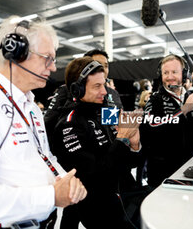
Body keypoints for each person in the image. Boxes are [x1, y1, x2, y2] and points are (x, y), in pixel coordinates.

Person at [0, 16, 87, 229]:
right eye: (47, 58)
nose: (54, 67)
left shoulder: (30, 106)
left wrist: (66, 181)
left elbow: (42, 156)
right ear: (16, 54)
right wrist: (49, 197)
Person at [52, 56, 144, 229]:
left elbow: (128, 164)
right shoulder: (69, 125)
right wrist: (121, 138)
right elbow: (93, 174)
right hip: (100, 210)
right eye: (97, 86)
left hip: (128, 199)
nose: (104, 91)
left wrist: (134, 144)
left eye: (104, 84)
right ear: (77, 90)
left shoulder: (105, 113)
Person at [140, 54, 193, 188]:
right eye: (166, 73)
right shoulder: (154, 100)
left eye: (174, 72)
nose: (170, 77)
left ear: (184, 74)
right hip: (163, 174)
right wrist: (183, 110)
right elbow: (151, 133)